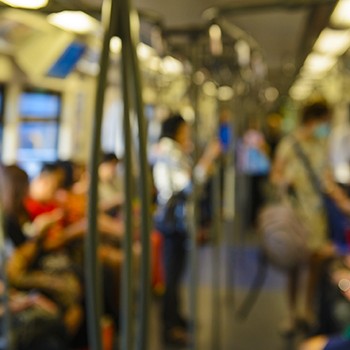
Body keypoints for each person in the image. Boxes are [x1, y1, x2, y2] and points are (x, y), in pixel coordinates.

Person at [152, 113, 221, 346]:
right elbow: (189, 185)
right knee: (172, 274)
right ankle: (169, 326)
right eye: (185, 130)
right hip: (175, 220)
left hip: (177, 219)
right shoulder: (170, 152)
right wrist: (208, 159)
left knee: (176, 271)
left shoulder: (171, 151)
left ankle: (176, 318)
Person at [270, 100, 335, 335]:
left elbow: (326, 178)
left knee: (315, 262)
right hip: (295, 213)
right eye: (325, 121)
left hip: (316, 214)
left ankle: (307, 309)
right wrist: (285, 181)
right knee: (294, 264)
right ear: (314, 120)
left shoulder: (321, 145)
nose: (326, 126)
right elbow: (275, 175)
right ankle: (291, 313)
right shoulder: (290, 145)